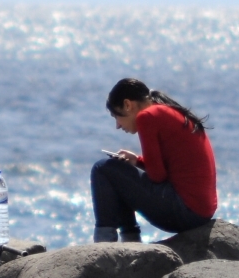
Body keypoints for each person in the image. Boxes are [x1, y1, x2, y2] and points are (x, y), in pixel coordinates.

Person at [91, 78, 217, 242]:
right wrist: (137, 162)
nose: (118, 126)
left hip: (185, 211)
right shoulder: (166, 110)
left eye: (117, 116)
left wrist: (133, 170)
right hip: (200, 211)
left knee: (102, 169)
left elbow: (157, 176)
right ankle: (129, 240)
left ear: (128, 105)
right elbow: (166, 168)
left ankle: (107, 243)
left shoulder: (147, 116)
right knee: (118, 173)